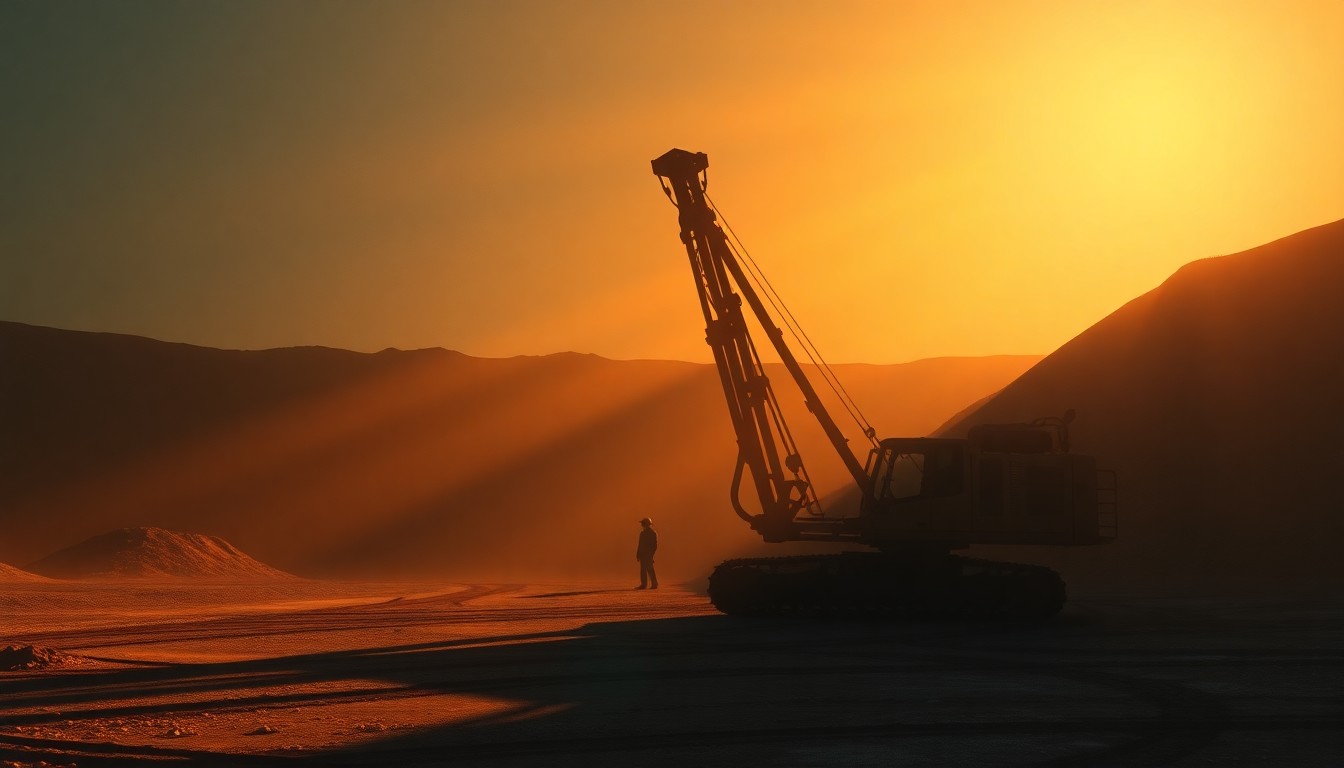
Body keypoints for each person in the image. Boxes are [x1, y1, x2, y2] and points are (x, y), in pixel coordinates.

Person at [635, 517, 658, 590]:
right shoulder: (642, 533)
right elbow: (640, 544)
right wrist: (638, 554)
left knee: (649, 569)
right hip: (643, 554)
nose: (642, 525)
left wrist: (651, 555)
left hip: (648, 554)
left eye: (643, 523)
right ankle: (644, 584)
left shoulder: (652, 533)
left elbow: (654, 546)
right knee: (643, 569)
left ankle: (654, 584)